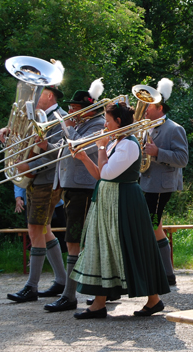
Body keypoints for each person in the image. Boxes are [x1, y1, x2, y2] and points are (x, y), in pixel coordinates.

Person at [71, 102, 170, 319]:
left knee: (131, 247)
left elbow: (107, 173)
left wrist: (98, 147)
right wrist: (84, 157)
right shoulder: (116, 143)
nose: (104, 125)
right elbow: (99, 174)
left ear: (118, 122)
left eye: (107, 121)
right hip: (109, 200)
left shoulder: (129, 145)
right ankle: (99, 303)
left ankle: (153, 299)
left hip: (124, 201)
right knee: (103, 246)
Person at [44, 84, 106, 312]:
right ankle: (81, 292)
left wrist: (67, 128)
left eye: (73, 108)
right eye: (69, 107)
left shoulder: (98, 125)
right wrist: (45, 145)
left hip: (84, 188)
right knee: (75, 240)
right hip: (70, 186)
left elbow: (81, 147)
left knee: (77, 241)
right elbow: (62, 149)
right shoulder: (78, 125)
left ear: (86, 110)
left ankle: (71, 295)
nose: (69, 112)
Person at [4, 85, 68, 302]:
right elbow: (25, 144)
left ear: (49, 95)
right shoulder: (36, 117)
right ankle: (61, 280)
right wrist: (7, 136)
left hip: (47, 181)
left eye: (39, 92)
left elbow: (59, 153)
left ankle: (31, 287)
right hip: (36, 180)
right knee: (44, 229)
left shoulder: (60, 118)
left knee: (34, 230)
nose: (33, 96)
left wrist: (29, 166)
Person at [139, 78, 189, 286]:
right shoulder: (147, 127)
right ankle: (167, 274)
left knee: (151, 225)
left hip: (161, 185)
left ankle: (162, 273)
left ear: (159, 108)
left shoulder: (174, 128)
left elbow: (182, 159)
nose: (143, 109)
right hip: (147, 183)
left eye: (148, 106)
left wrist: (157, 152)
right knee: (155, 226)